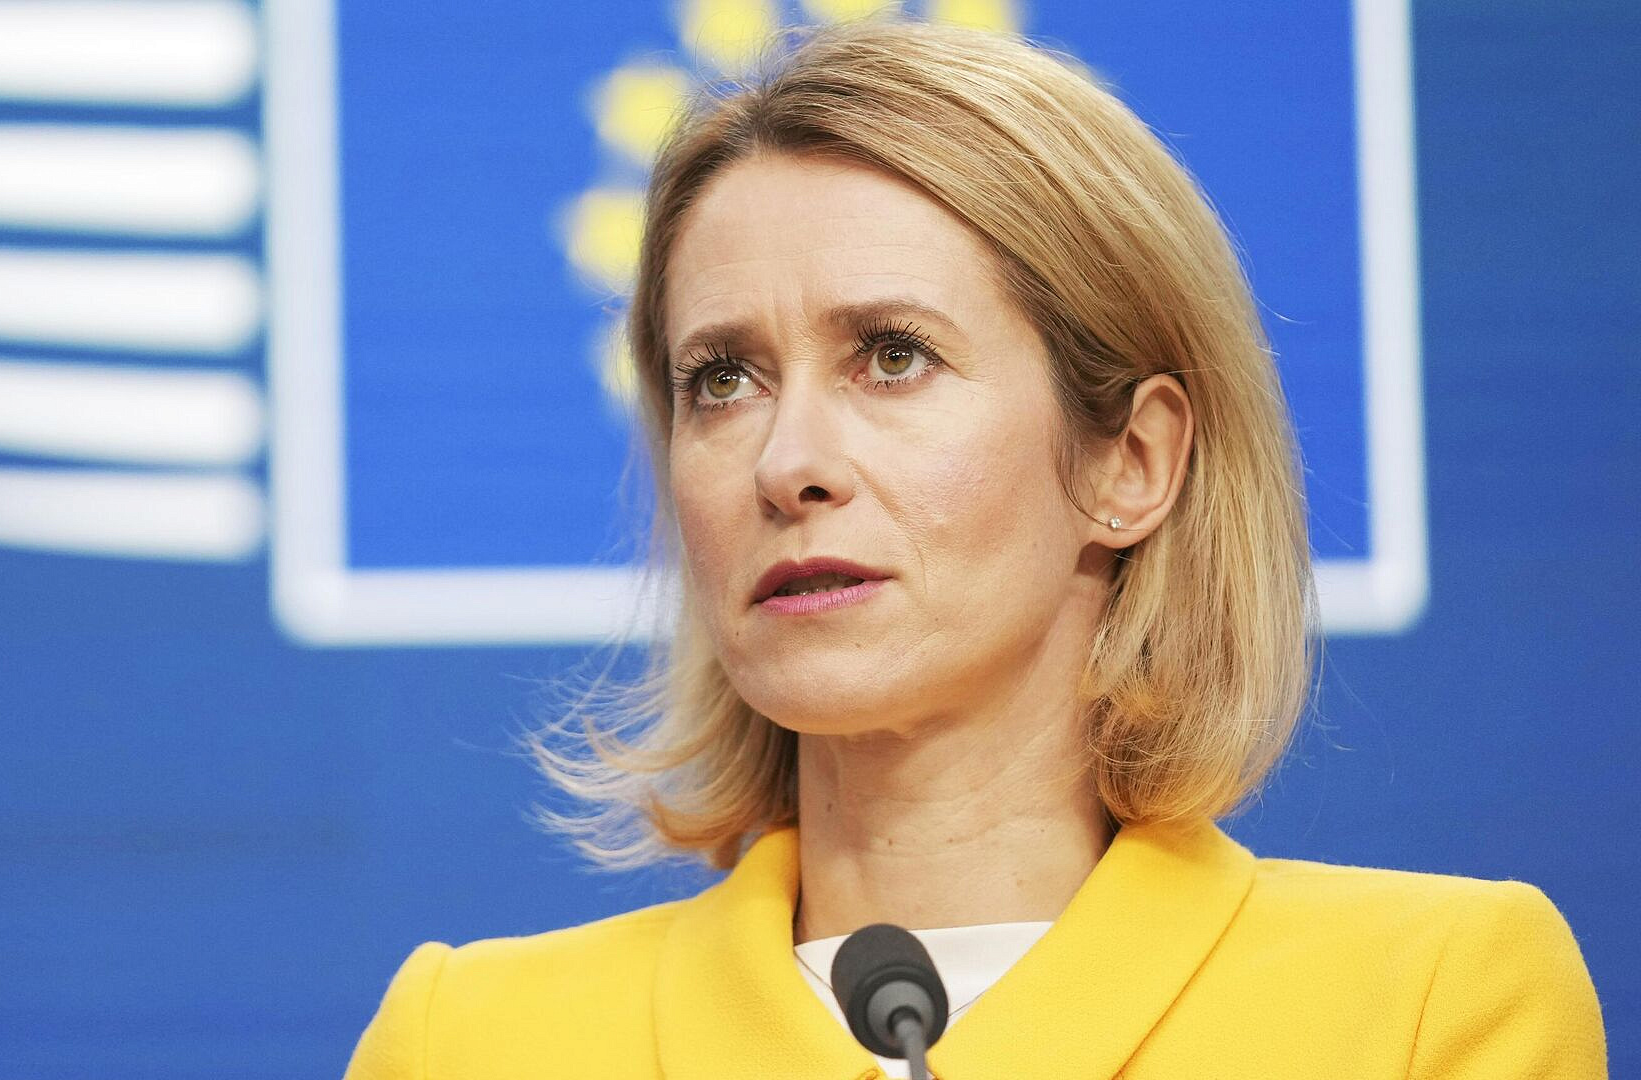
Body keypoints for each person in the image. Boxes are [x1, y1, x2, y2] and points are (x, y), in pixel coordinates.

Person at [346, 17, 1605, 1078]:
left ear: (1130, 462)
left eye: (892, 357)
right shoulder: (471, 1042)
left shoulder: (1425, 1003)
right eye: (722, 380)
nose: (787, 463)